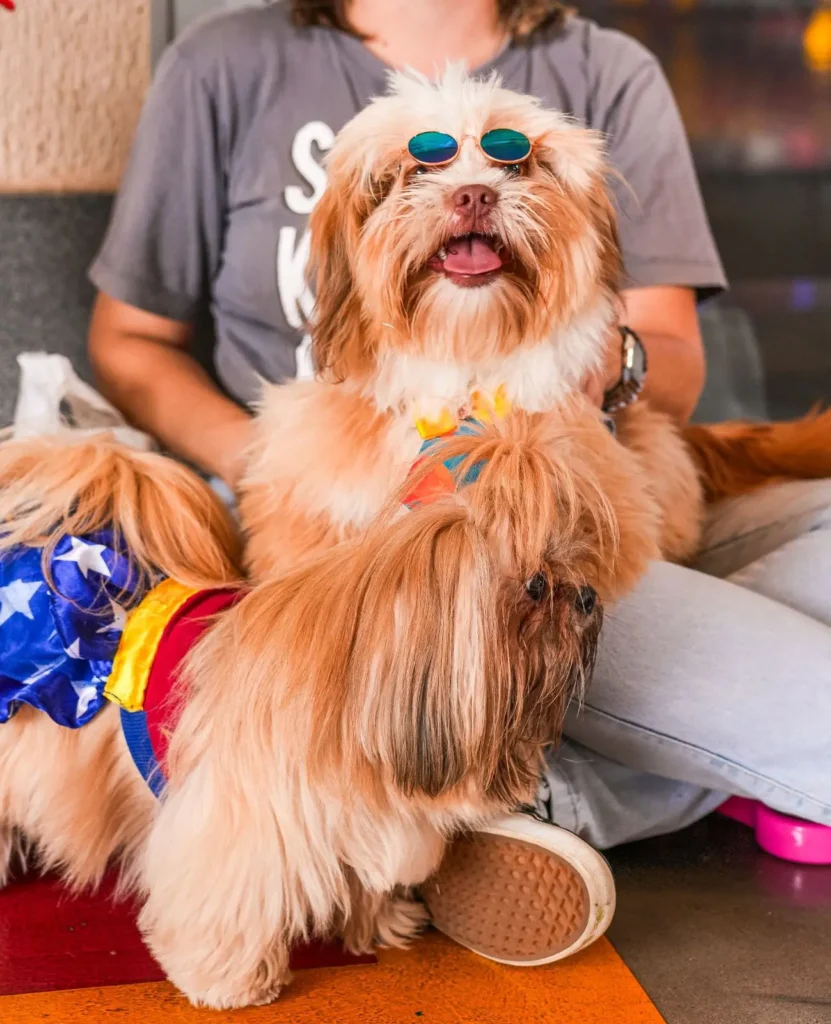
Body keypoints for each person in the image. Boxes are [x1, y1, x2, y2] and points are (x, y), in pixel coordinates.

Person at [87, 0, 831, 965]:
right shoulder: (226, 63)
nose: (470, 192)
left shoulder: (606, 68)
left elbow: (674, 357)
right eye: (417, 176)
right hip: (414, 552)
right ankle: (626, 765)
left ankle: (511, 802)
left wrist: (591, 365)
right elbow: (129, 342)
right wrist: (272, 463)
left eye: (510, 168)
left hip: (616, 490)